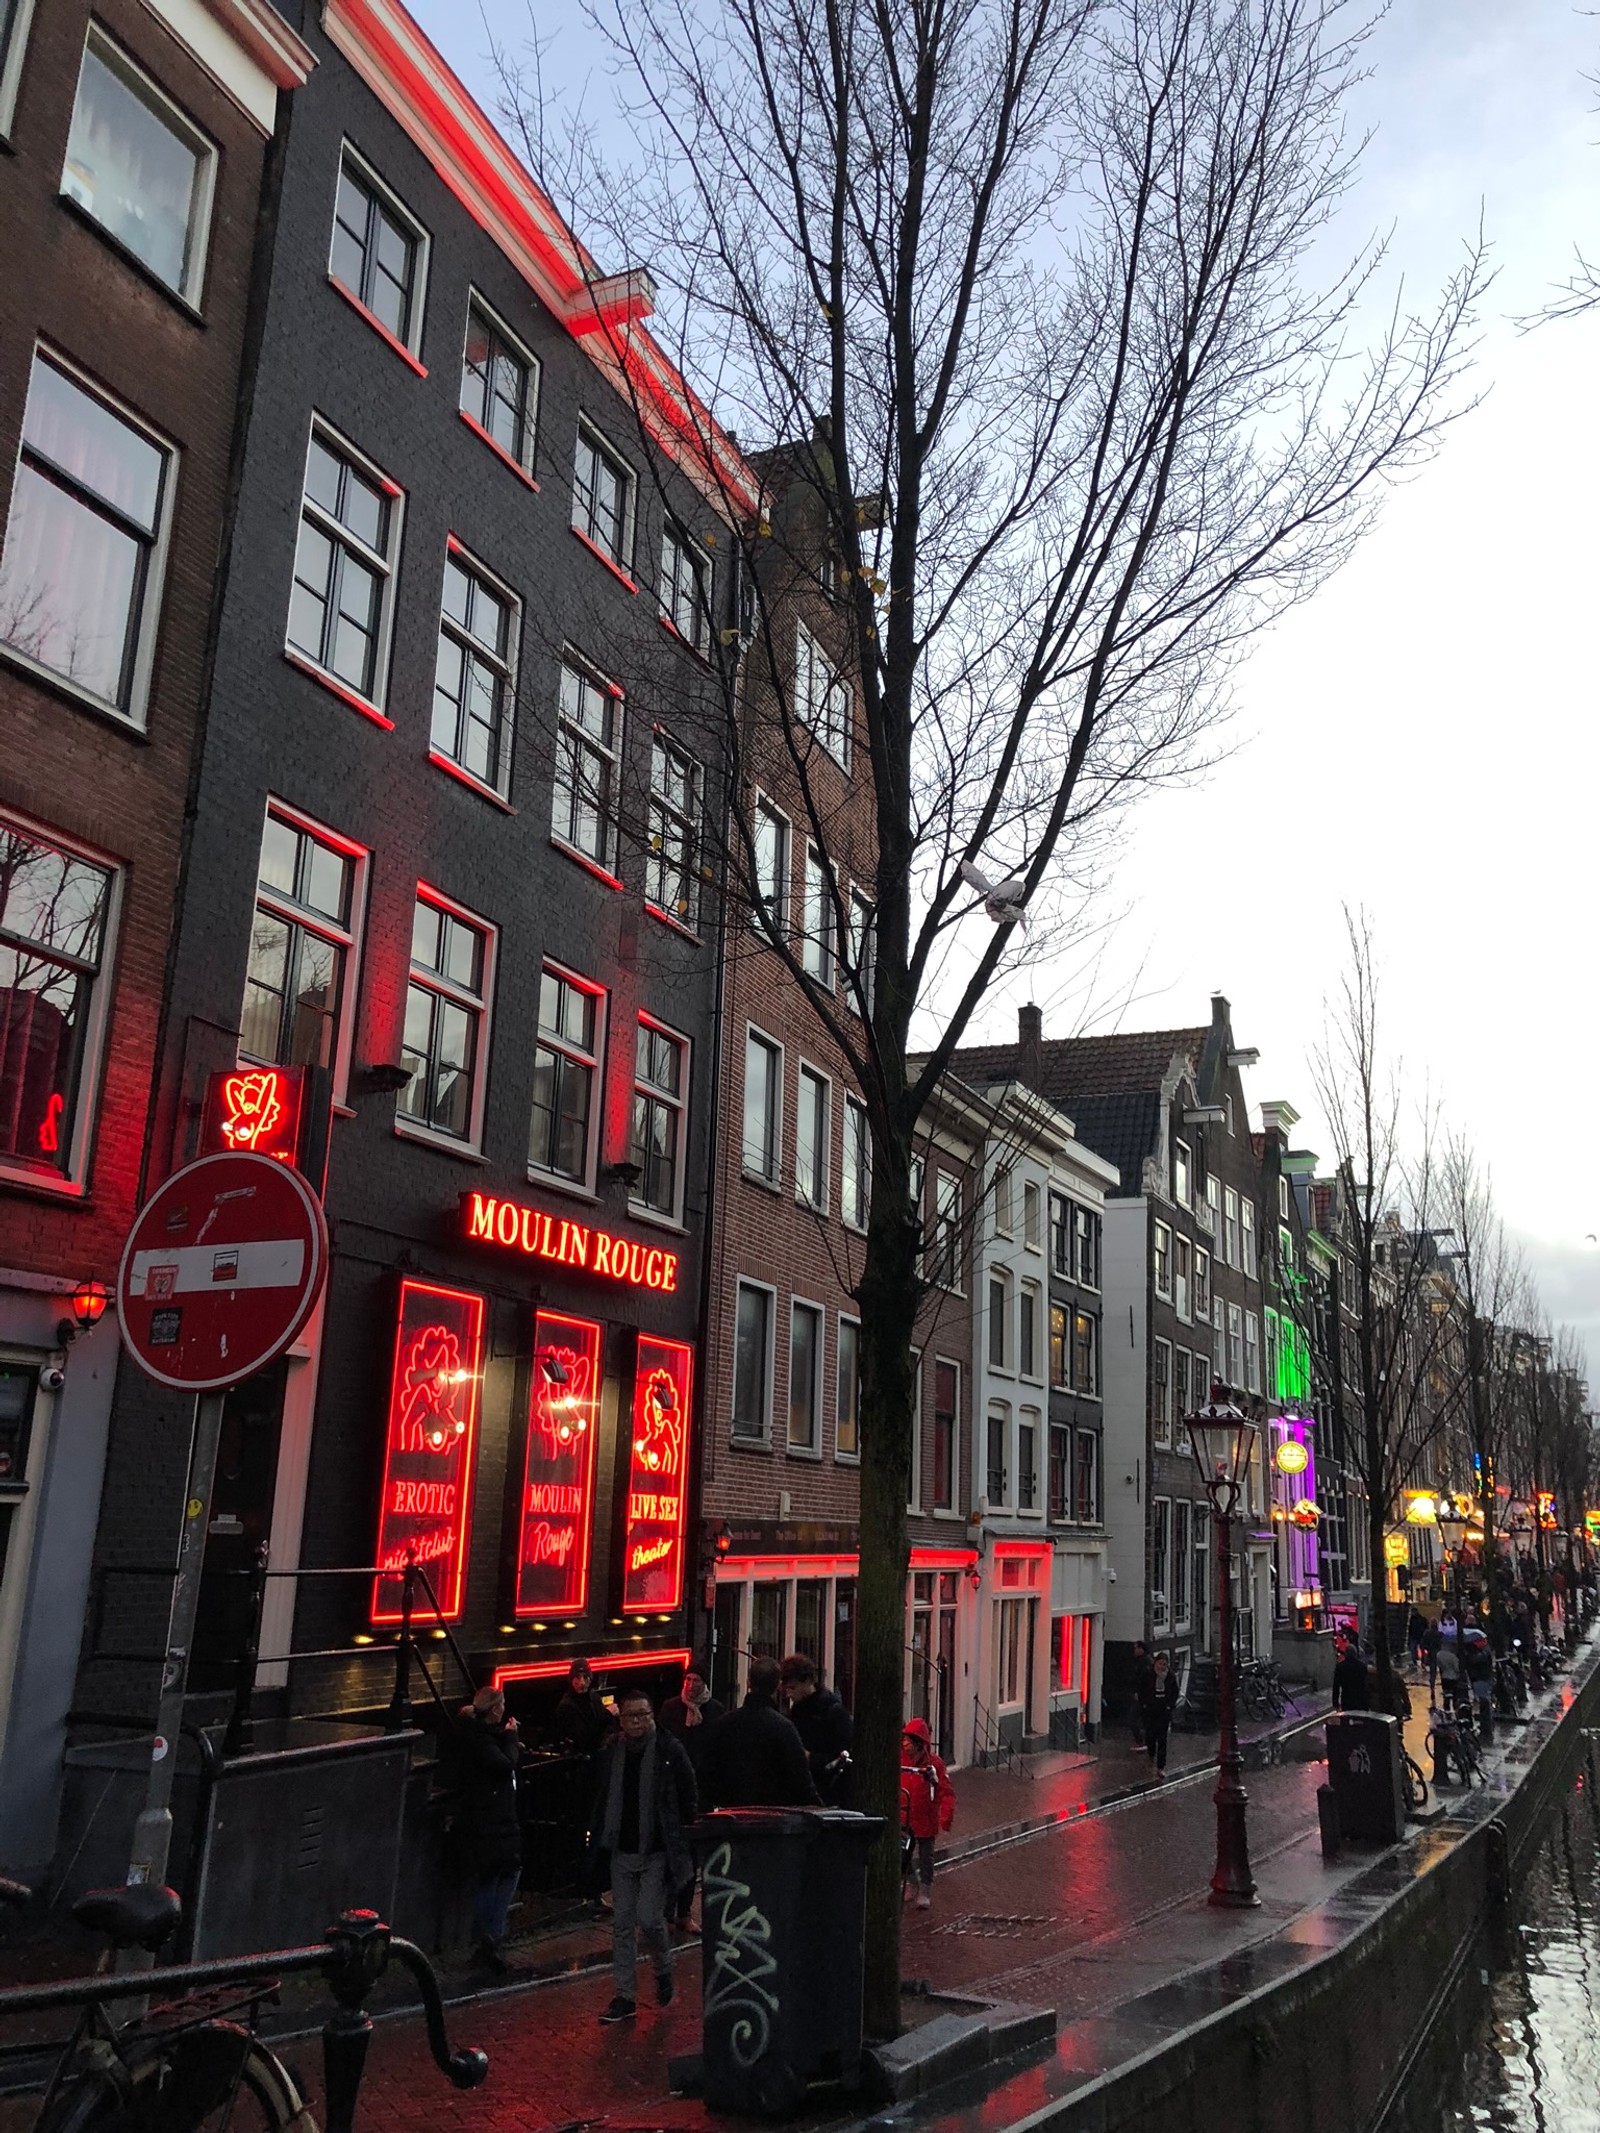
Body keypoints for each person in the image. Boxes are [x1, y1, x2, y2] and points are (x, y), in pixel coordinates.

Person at [591, 1688, 697, 2025]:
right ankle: (625, 1996)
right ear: (620, 1720)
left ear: (652, 1716)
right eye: (630, 1716)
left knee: (649, 1917)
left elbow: (688, 1794)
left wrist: (682, 1838)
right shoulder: (611, 1752)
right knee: (622, 1924)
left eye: (643, 1715)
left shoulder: (669, 1751)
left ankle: (663, 1969)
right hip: (621, 1848)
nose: (637, 1721)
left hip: (656, 1850)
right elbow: (601, 1795)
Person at [453, 1687, 524, 1973]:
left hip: (488, 1820)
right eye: (502, 1704)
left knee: (492, 1878)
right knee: (505, 1874)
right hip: (493, 1821)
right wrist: (512, 1736)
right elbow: (505, 1764)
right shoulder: (483, 1741)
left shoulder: (473, 1735)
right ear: (495, 1709)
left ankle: (490, 1938)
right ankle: (491, 1938)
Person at [696, 1655, 820, 1809]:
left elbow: (706, 1775)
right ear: (777, 1686)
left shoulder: (723, 1725)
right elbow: (801, 1782)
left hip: (731, 1818)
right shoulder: (784, 1728)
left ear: (748, 1683)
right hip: (773, 1821)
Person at [657, 1669, 724, 1925]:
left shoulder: (715, 1711)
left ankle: (683, 1911)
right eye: (687, 1679)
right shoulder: (671, 1708)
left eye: (696, 1680)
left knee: (692, 1853)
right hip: (672, 1788)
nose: (691, 1684)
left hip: (701, 1790)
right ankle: (665, 1909)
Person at [778, 1653, 854, 1804]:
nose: (788, 1694)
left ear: (807, 1681)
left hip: (827, 1794)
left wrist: (810, 1758)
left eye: (792, 1688)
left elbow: (844, 1758)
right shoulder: (797, 1712)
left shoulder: (833, 1712)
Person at [899, 1718, 956, 1909]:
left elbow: (946, 1791)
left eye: (908, 1741)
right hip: (904, 1816)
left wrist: (945, 1816)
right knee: (902, 1853)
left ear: (918, 1744)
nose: (904, 1744)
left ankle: (924, 1889)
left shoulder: (935, 1764)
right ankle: (910, 1882)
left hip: (925, 1818)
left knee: (926, 1856)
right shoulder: (900, 1760)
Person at [554, 1660, 614, 1761]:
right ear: (571, 1679)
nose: (582, 1682)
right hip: (580, 1760)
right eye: (577, 1677)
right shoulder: (566, 1706)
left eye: (585, 1677)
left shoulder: (594, 1697)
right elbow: (583, 1737)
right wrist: (608, 1714)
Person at [1138, 1651, 1178, 1778]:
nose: (1162, 1667)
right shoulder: (1147, 1674)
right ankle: (1151, 1753)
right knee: (1150, 1735)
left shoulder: (1170, 1676)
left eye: (1165, 1665)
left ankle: (1161, 1766)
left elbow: (1174, 1692)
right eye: (1160, 1664)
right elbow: (1141, 1688)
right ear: (1155, 1663)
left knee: (1162, 1739)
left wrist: (1170, 1705)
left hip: (1163, 1711)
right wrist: (1144, 1703)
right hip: (1150, 1709)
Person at [1331, 1636, 1370, 1711]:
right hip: (1360, 1699)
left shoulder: (1340, 1667)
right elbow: (1366, 1685)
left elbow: (1336, 1686)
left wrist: (1335, 1703)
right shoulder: (1362, 1667)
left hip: (1347, 1700)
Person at [1129, 1642, 1152, 1745]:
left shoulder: (1144, 1663)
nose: (1134, 1651)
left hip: (1143, 1696)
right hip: (1142, 1695)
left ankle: (1141, 1740)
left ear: (1141, 1649)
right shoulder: (1142, 1661)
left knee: (1133, 1718)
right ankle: (1143, 1740)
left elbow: (1142, 1680)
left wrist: (1138, 1692)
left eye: (1136, 1648)